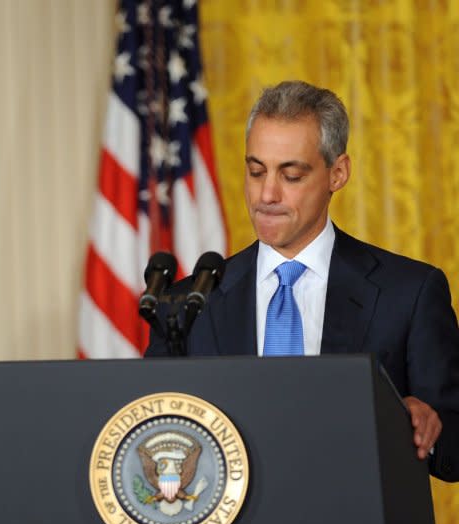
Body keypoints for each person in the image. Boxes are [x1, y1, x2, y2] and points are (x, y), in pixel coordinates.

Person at [145, 80, 459, 481]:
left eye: (290, 175)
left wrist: (428, 427)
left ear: (338, 173)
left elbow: (454, 441)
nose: (266, 194)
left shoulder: (409, 293)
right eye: (256, 171)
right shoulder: (189, 304)